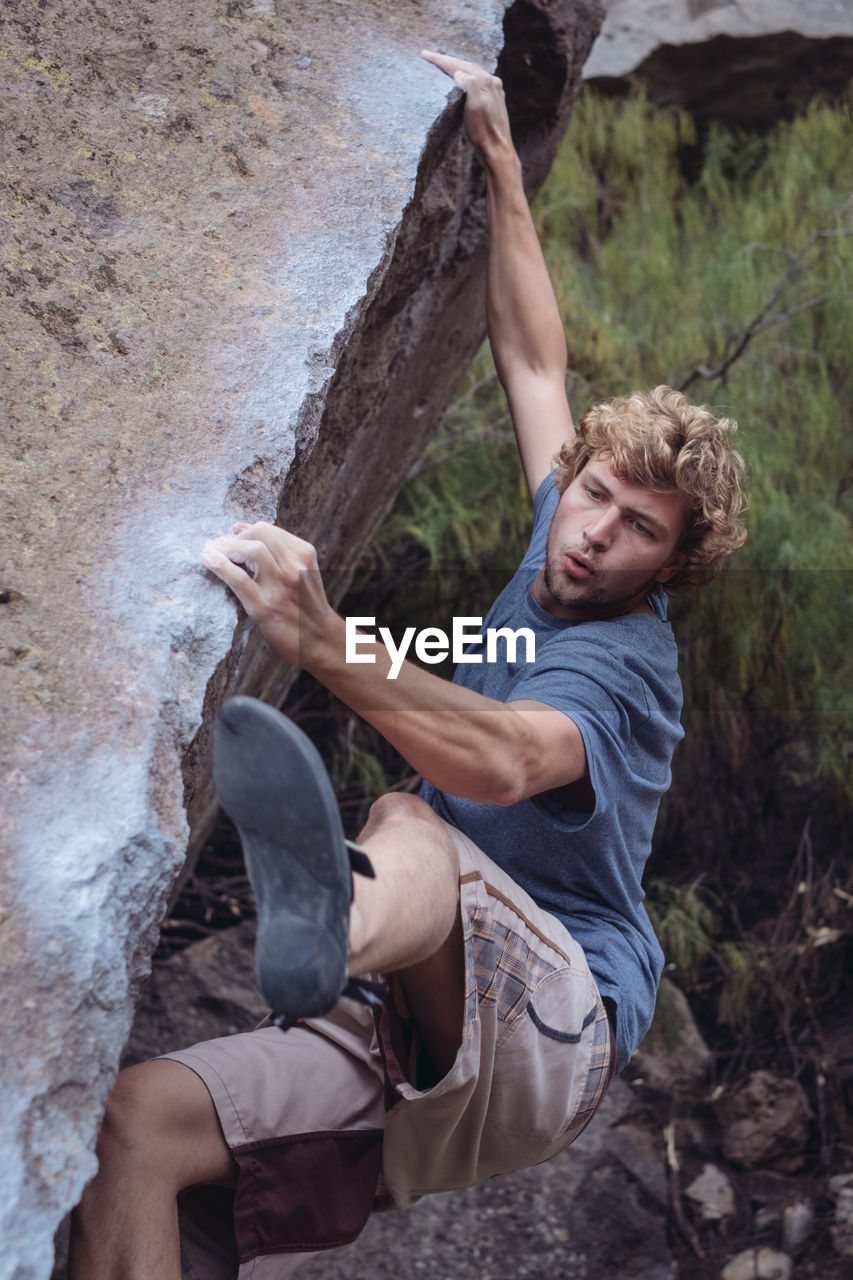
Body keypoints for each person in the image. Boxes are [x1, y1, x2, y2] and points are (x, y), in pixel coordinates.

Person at [68, 50, 747, 1279]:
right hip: (415, 1028)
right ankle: (341, 939)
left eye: (637, 527)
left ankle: (335, 920)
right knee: (135, 1131)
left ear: (668, 567)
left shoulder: (624, 664)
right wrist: (497, 150)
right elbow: (534, 359)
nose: (593, 532)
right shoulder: (567, 525)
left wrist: (326, 642)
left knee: (415, 817)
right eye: (594, 494)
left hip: (556, 1017)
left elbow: (501, 759)